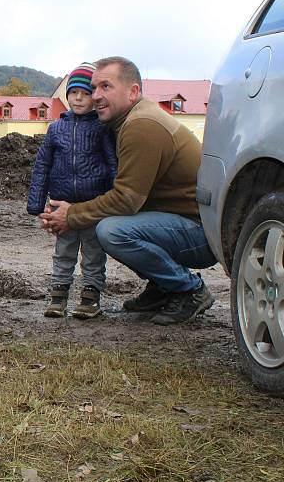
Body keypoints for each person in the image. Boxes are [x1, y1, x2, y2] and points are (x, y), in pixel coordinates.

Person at [39, 56, 217, 325]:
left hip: (201, 234)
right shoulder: (124, 122)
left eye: (106, 87)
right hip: (179, 224)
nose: (95, 95)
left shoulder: (141, 125)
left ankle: (189, 289)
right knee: (109, 223)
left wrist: (72, 215)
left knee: (112, 231)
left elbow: (126, 199)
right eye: (94, 88)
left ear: (133, 91)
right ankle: (163, 286)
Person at [27, 62, 117, 319]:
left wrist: (114, 199)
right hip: (60, 205)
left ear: (95, 96)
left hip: (93, 205)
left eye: (85, 93)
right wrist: (36, 204)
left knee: (93, 253)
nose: (78, 98)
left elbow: (113, 164)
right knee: (63, 252)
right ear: (66, 95)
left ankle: (90, 298)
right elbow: (42, 166)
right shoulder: (55, 129)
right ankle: (58, 297)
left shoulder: (102, 128)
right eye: (73, 92)